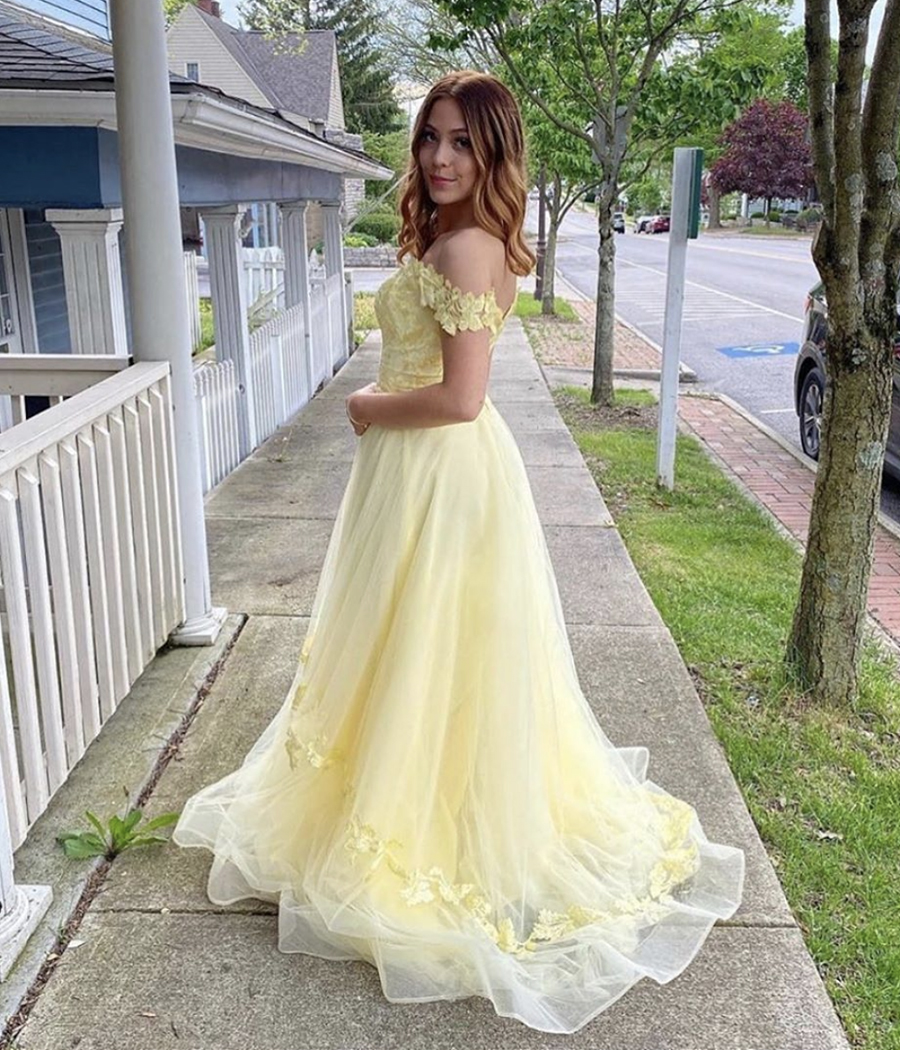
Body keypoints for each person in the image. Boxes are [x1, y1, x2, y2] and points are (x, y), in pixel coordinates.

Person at [172, 70, 744, 1034]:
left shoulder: (471, 248)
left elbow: (461, 398)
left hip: (438, 468)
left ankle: (423, 840)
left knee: (432, 646)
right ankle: (398, 804)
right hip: (419, 470)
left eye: (461, 143)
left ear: (493, 153)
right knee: (414, 647)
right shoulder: (458, 234)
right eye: (430, 137)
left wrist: (365, 403)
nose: (439, 157)